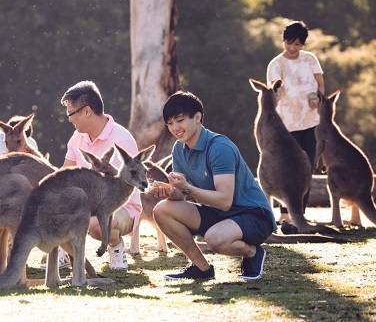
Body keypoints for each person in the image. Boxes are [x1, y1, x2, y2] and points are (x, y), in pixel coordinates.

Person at [151, 91, 276, 281]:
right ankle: (201, 269)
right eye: (169, 123)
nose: (175, 128)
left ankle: (252, 253)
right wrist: (168, 191)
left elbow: (225, 201)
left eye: (180, 120)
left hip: (253, 215)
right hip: (218, 214)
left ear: (198, 118)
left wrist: (187, 188)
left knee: (215, 238)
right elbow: (181, 194)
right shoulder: (179, 149)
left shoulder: (219, 147)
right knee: (162, 210)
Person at [61, 81, 141, 271]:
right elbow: (64, 173)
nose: (69, 119)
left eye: (70, 114)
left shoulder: (122, 139)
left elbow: (121, 190)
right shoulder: (77, 138)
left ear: (86, 111)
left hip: (121, 206)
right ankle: (65, 253)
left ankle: (116, 247)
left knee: (96, 223)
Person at [266, 21, 325, 221]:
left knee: (307, 167)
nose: (293, 48)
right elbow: (273, 92)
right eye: (289, 43)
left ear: (303, 45)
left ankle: (300, 213)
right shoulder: (276, 64)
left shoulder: (310, 60)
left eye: (298, 44)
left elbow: (320, 84)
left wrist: (318, 98)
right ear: (284, 41)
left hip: (310, 122)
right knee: (286, 167)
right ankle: (284, 214)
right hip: (285, 125)